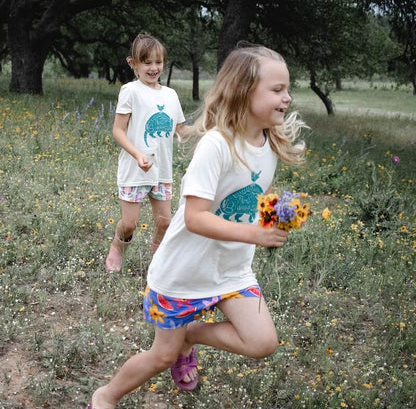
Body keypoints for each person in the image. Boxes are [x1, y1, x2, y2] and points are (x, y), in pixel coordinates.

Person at [87, 43, 307, 408]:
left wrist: (275, 216)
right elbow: (194, 217)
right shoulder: (217, 145)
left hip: (231, 272)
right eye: (277, 89)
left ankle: (190, 335)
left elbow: (260, 193)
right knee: (161, 356)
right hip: (182, 273)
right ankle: (105, 395)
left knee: (262, 342)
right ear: (243, 90)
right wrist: (255, 233)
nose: (287, 98)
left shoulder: (269, 141)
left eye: (287, 89)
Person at [105, 32, 190, 272]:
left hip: (162, 171)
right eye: (147, 62)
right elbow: (118, 131)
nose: (154, 68)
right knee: (130, 224)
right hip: (135, 169)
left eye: (158, 62)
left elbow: (180, 130)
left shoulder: (171, 95)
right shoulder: (130, 91)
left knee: (165, 222)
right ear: (133, 63)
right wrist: (137, 154)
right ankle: (117, 247)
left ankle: (157, 259)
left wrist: (207, 127)